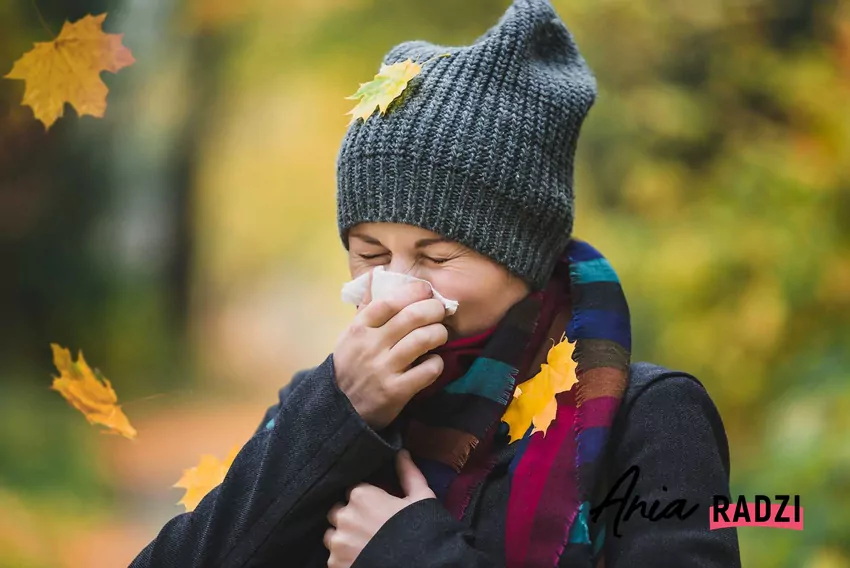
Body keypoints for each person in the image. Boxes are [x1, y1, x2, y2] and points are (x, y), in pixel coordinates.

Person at [131, 0, 742, 566]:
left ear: (522, 259)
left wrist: (414, 552)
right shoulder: (325, 402)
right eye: (370, 253)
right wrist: (338, 416)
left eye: (437, 256)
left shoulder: (654, 417)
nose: (397, 288)